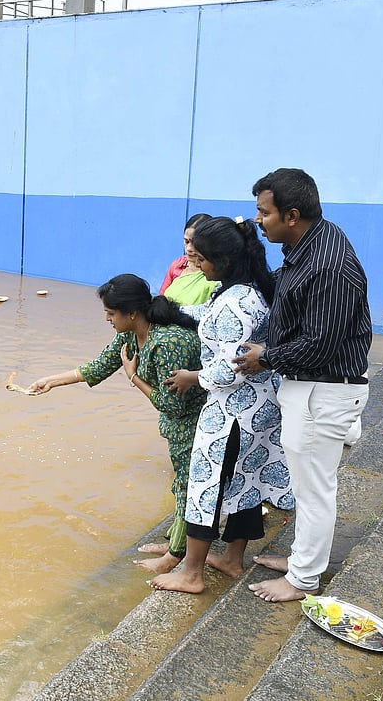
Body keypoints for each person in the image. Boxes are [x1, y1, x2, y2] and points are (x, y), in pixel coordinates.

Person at [232, 168, 371, 604]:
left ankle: (303, 579)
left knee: (313, 491)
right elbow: (290, 303)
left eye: (264, 212)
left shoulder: (329, 265)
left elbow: (319, 344)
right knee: (308, 485)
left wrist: (265, 357)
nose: (259, 220)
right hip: (311, 388)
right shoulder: (308, 244)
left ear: (292, 215)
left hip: (323, 391)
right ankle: (301, 560)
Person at [148, 217, 294, 595]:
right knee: (245, 480)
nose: (195, 263)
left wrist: (192, 377)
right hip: (260, 407)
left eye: (201, 258)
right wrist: (166, 310)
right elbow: (208, 318)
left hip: (233, 410)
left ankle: (191, 573)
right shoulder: (247, 290)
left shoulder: (235, 304)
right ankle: (232, 559)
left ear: (224, 261)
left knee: (206, 484)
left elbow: (232, 367)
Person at [28, 274, 207, 578]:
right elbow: (99, 366)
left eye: (111, 314)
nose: (108, 320)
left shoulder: (168, 342)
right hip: (177, 424)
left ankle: (176, 557)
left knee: (188, 487)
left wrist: (133, 377)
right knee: (181, 484)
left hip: (196, 422)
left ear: (132, 312)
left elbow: (172, 405)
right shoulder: (131, 335)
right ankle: (176, 546)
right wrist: (51, 381)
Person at [159, 213, 219, 307]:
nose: (189, 249)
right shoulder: (178, 265)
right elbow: (160, 301)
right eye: (186, 241)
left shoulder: (215, 273)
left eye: (195, 243)